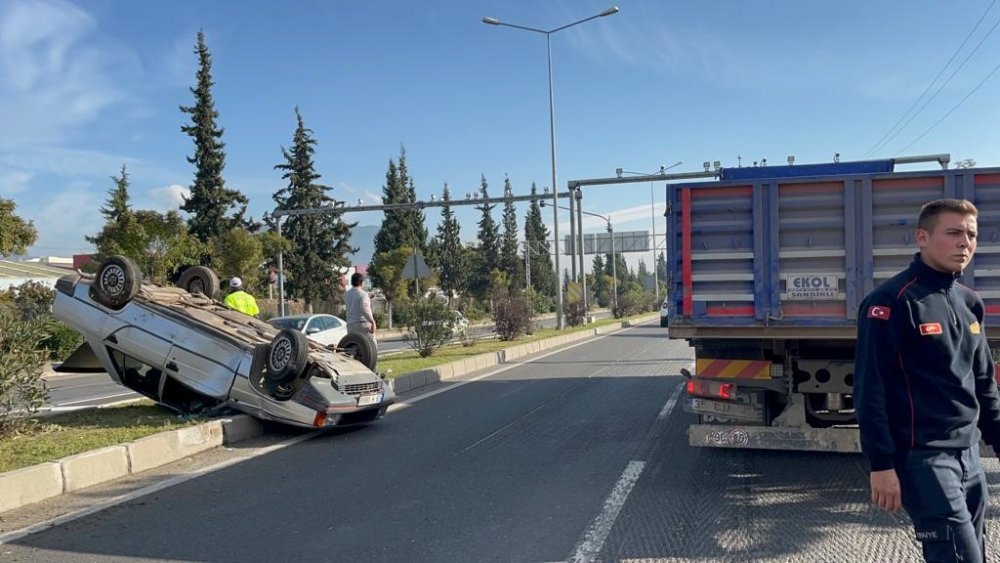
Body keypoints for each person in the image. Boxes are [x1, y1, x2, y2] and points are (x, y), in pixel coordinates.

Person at [854, 198, 1000, 563]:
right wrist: (882, 465)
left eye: (971, 235)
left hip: (969, 456)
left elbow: (984, 384)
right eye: (953, 233)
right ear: (922, 236)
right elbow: (869, 389)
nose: (964, 243)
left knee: (975, 554)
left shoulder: (970, 303)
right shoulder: (891, 302)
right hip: (923, 460)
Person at [345, 272, 376, 337]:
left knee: (355, 345)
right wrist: (372, 321)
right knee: (370, 345)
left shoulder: (346, 294)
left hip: (350, 325)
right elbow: (365, 309)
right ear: (361, 282)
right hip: (362, 324)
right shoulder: (363, 294)